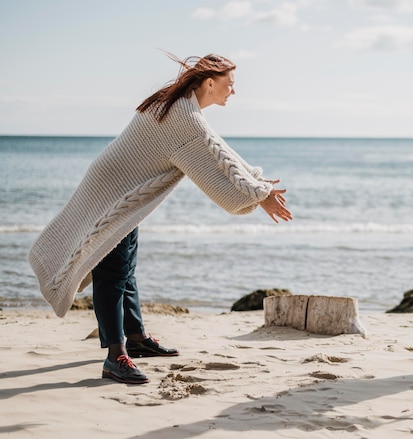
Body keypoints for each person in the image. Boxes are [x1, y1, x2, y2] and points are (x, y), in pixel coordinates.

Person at [28, 52, 292, 384]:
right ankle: (115, 356)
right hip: (115, 192)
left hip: (119, 187)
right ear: (210, 83)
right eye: (230, 84)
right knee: (112, 273)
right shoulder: (184, 115)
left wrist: (259, 187)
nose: (234, 92)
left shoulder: (179, 104)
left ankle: (135, 338)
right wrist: (259, 193)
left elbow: (217, 151)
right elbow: (214, 165)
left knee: (125, 267)